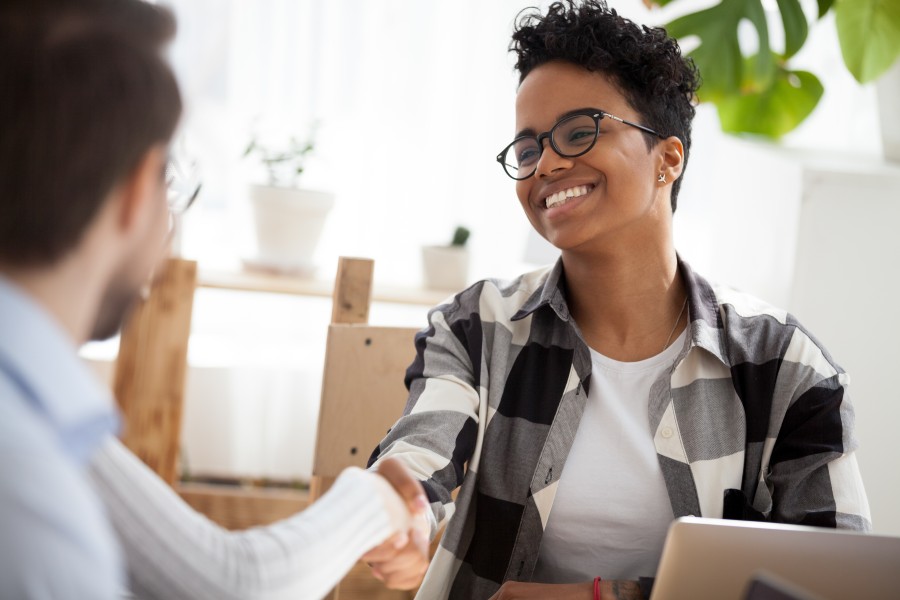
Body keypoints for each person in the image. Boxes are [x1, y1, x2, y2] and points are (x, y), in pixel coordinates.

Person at [364, 1, 872, 599]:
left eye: (579, 132)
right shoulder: (478, 327)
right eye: (527, 150)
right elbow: (419, 454)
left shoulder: (784, 366)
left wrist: (605, 596)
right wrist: (395, 515)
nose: (546, 164)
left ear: (668, 158)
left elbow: (838, 582)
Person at [0, 1, 428, 598]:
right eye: (172, 182)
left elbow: (220, 579)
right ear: (134, 194)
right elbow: (231, 588)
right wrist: (377, 498)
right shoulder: (26, 475)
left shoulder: (33, 403)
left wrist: (370, 499)